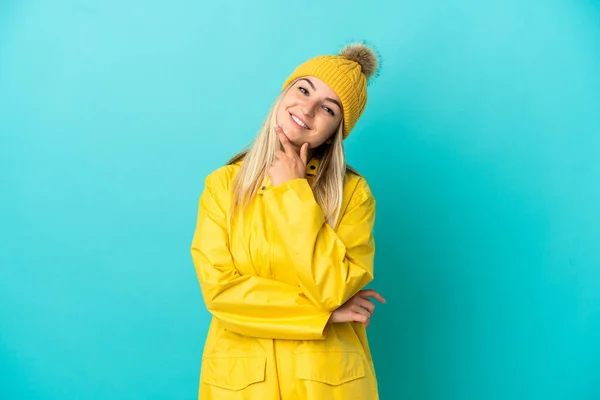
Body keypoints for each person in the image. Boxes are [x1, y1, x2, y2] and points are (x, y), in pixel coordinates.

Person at [190, 42, 385, 400]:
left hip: (329, 383)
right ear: (284, 93)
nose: (307, 109)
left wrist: (293, 190)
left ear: (336, 130)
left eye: (327, 108)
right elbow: (220, 292)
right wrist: (324, 315)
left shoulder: (353, 194)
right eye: (303, 89)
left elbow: (333, 287)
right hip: (242, 384)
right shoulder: (221, 186)